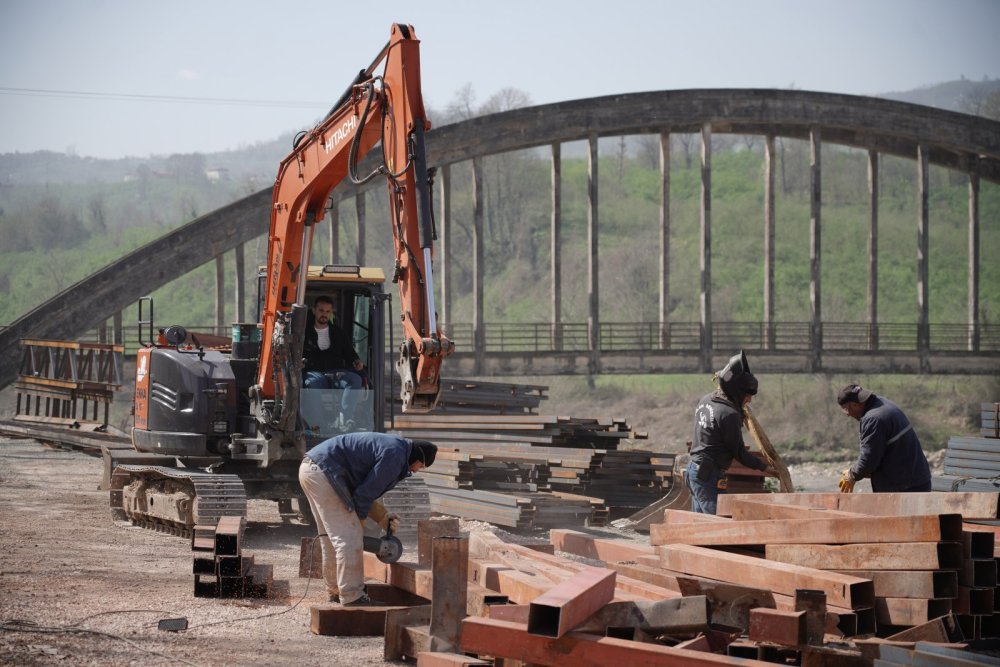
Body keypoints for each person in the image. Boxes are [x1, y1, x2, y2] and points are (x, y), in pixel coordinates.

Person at [298, 432, 437, 605]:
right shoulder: (395, 455)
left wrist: (382, 516)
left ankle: (335, 590)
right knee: (349, 539)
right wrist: (358, 525)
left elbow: (362, 490)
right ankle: (352, 596)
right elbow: (364, 495)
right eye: (421, 466)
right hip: (324, 472)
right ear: (418, 458)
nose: (416, 470)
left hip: (313, 469)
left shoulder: (395, 449)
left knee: (331, 538)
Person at [687, 350, 775, 514]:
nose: (749, 400)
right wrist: (764, 467)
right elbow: (739, 453)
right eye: (748, 395)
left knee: (699, 525)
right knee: (718, 522)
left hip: (694, 470)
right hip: (709, 476)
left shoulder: (706, 400)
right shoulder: (729, 415)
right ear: (738, 392)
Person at [836, 384, 931, 493]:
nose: (847, 414)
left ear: (854, 405)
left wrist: (852, 475)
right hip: (916, 481)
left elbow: (869, 459)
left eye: (846, 409)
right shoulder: (882, 403)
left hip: (904, 488)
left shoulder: (874, 419)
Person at [302, 295, 367, 424]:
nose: (324, 315)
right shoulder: (304, 332)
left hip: (336, 372)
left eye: (327, 311)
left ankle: (345, 419)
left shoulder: (338, 333)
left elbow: (349, 353)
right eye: (321, 311)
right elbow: (299, 353)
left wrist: (356, 361)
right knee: (313, 384)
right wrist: (301, 362)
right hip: (314, 372)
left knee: (355, 379)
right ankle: (318, 425)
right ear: (314, 311)